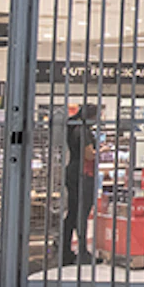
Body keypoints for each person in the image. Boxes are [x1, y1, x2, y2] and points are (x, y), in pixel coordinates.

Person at [61, 103, 98, 266]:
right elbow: (89, 154)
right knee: (81, 212)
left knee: (73, 213)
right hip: (83, 173)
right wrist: (100, 151)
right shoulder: (83, 131)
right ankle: (82, 252)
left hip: (73, 171)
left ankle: (66, 250)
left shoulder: (74, 128)